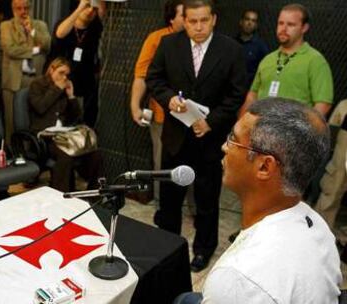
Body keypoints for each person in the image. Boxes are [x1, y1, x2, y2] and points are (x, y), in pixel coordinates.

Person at [175, 98, 342, 303]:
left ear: (264, 167)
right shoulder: (318, 226)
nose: (224, 147)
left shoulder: (238, 278)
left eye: (233, 139)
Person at [146, 0, 247, 272]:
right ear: (184, 20)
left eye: (204, 20)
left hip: (210, 142)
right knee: (169, 200)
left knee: (206, 200)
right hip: (175, 138)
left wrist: (211, 122)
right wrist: (168, 101)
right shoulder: (169, 45)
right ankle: (166, 246)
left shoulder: (232, 50)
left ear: (213, 18)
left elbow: (236, 95)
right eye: (192, 21)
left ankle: (203, 249)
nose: (198, 27)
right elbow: (154, 80)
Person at [130, 0, 185, 223]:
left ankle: (190, 209)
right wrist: (135, 105)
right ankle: (165, 210)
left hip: (192, 118)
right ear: (172, 18)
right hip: (163, 117)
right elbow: (142, 75)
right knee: (162, 162)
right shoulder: (156, 39)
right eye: (185, 15)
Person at [239, 3, 333, 117]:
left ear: (304, 28)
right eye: (280, 23)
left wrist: (302, 132)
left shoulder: (315, 61)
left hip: (293, 133)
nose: (283, 29)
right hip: (259, 130)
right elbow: (252, 96)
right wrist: (239, 126)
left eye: (291, 24)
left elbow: (323, 104)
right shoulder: (268, 59)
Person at [28, 57, 102, 192]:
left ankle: (94, 192)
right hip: (45, 134)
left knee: (94, 153)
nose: (64, 77)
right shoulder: (37, 85)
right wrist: (56, 88)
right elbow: (40, 107)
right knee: (66, 155)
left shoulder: (64, 88)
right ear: (51, 70)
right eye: (61, 73)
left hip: (64, 133)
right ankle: (62, 193)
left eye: (66, 74)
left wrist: (71, 96)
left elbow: (77, 118)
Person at [48, 0, 106, 127]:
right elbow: (60, 34)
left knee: (86, 118)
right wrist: (80, 8)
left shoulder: (95, 27)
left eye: (93, 8)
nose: (90, 10)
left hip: (85, 81)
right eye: (87, 6)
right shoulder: (66, 23)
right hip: (63, 79)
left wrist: (98, 5)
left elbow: (102, 12)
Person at [0, 0, 51, 143]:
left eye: (26, 8)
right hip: (13, 79)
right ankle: (11, 152)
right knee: (11, 121)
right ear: (13, 9)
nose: (23, 11)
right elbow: (10, 49)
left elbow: (47, 46)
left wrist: (32, 32)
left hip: (34, 78)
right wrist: (35, 50)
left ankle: (30, 151)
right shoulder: (6, 26)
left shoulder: (40, 25)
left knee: (31, 118)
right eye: (19, 8)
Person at [315, 100, 347, 234]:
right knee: (333, 188)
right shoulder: (344, 105)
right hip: (341, 154)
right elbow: (331, 133)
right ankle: (318, 231)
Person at [235, 9, 269, 89]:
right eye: (247, 19)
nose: (249, 23)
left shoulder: (261, 47)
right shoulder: (232, 43)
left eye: (253, 21)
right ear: (241, 22)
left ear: (256, 25)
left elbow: (265, 72)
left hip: (250, 90)